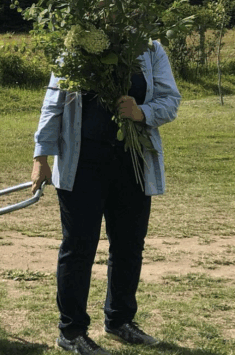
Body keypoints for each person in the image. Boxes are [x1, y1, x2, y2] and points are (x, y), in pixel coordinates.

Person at [31, 39, 181, 355]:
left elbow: (170, 100)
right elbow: (53, 102)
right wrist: (41, 156)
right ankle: (71, 331)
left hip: (133, 164)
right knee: (79, 247)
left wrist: (142, 112)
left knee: (129, 245)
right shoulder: (77, 46)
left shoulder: (150, 50)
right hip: (82, 165)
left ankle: (119, 321)